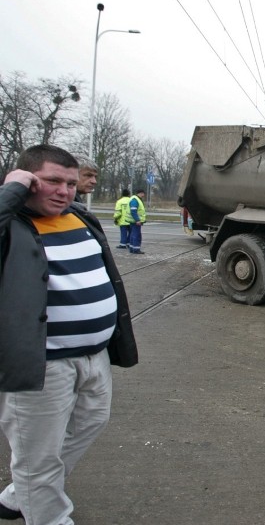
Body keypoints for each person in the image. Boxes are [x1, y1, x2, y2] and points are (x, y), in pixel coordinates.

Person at [0, 144, 138, 523]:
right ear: (26, 180)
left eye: (71, 183)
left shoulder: (79, 216)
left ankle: (19, 492)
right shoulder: (11, 224)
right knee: (38, 456)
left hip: (94, 358)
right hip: (41, 366)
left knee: (89, 424)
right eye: (52, 181)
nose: (64, 191)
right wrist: (10, 192)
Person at [128, 188, 147, 254]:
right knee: (136, 235)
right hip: (135, 221)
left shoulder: (135, 199)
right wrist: (137, 220)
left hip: (134, 221)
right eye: (143, 194)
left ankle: (132, 248)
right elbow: (133, 211)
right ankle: (136, 249)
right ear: (141, 193)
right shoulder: (135, 200)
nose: (143, 195)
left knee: (133, 234)